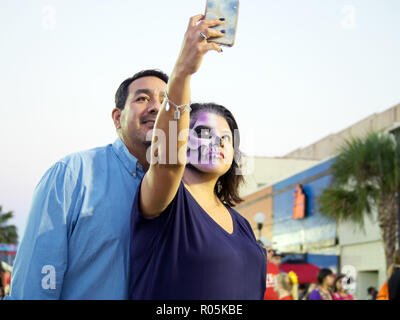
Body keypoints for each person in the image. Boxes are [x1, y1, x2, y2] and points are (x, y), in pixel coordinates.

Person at [129, 14, 267, 300]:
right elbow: (167, 160)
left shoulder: (240, 223)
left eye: (225, 137)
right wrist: (182, 72)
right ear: (180, 138)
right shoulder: (168, 198)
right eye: (203, 132)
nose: (216, 141)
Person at [4, 70, 170, 297]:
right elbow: (34, 283)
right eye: (142, 98)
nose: (155, 107)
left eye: (165, 101)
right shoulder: (72, 175)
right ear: (116, 118)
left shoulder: (183, 192)